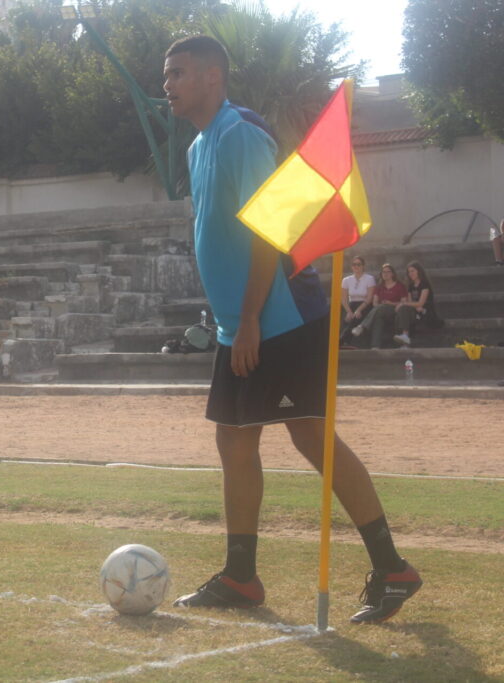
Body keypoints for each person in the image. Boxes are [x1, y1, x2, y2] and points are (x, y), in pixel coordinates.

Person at [162, 35, 421, 624]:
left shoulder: (241, 133)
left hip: (278, 318)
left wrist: (252, 318)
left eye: (178, 73)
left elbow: (270, 232)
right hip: (238, 326)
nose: (168, 85)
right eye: (166, 75)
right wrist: (236, 322)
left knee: (311, 437)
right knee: (234, 441)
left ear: (211, 77)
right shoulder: (199, 146)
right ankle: (241, 577)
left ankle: (393, 569)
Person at [350, 263, 408, 348]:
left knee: (380, 309)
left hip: (395, 310)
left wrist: (390, 303)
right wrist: (382, 305)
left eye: (388, 272)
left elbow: (404, 302)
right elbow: (375, 303)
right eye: (383, 272)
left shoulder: (400, 286)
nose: (385, 274)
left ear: (392, 274)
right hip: (381, 310)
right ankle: (375, 346)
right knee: (378, 318)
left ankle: (362, 326)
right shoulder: (379, 287)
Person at [393, 260, 440, 346]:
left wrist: (403, 304)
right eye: (409, 272)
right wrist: (411, 305)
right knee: (403, 310)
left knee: (403, 307)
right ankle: (404, 337)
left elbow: (421, 303)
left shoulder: (424, 284)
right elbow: (411, 302)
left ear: (419, 271)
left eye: (412, 271)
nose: (410, 274)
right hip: (416, 311)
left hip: (426, 312)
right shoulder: (410, 286)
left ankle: (405, 337)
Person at [340, 256, 376, 345]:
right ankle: (345, 341)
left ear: (363, 266)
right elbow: (344, 299)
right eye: (354, 264)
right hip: (351, 304)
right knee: (347, 317)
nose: (356, 266)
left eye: (359, 264)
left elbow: (369, 298)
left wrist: (359, 310)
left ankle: (342, 340)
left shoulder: (369, 279)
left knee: (356, 317)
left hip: (365, 304)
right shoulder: (346, 280)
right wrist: (348, 311)